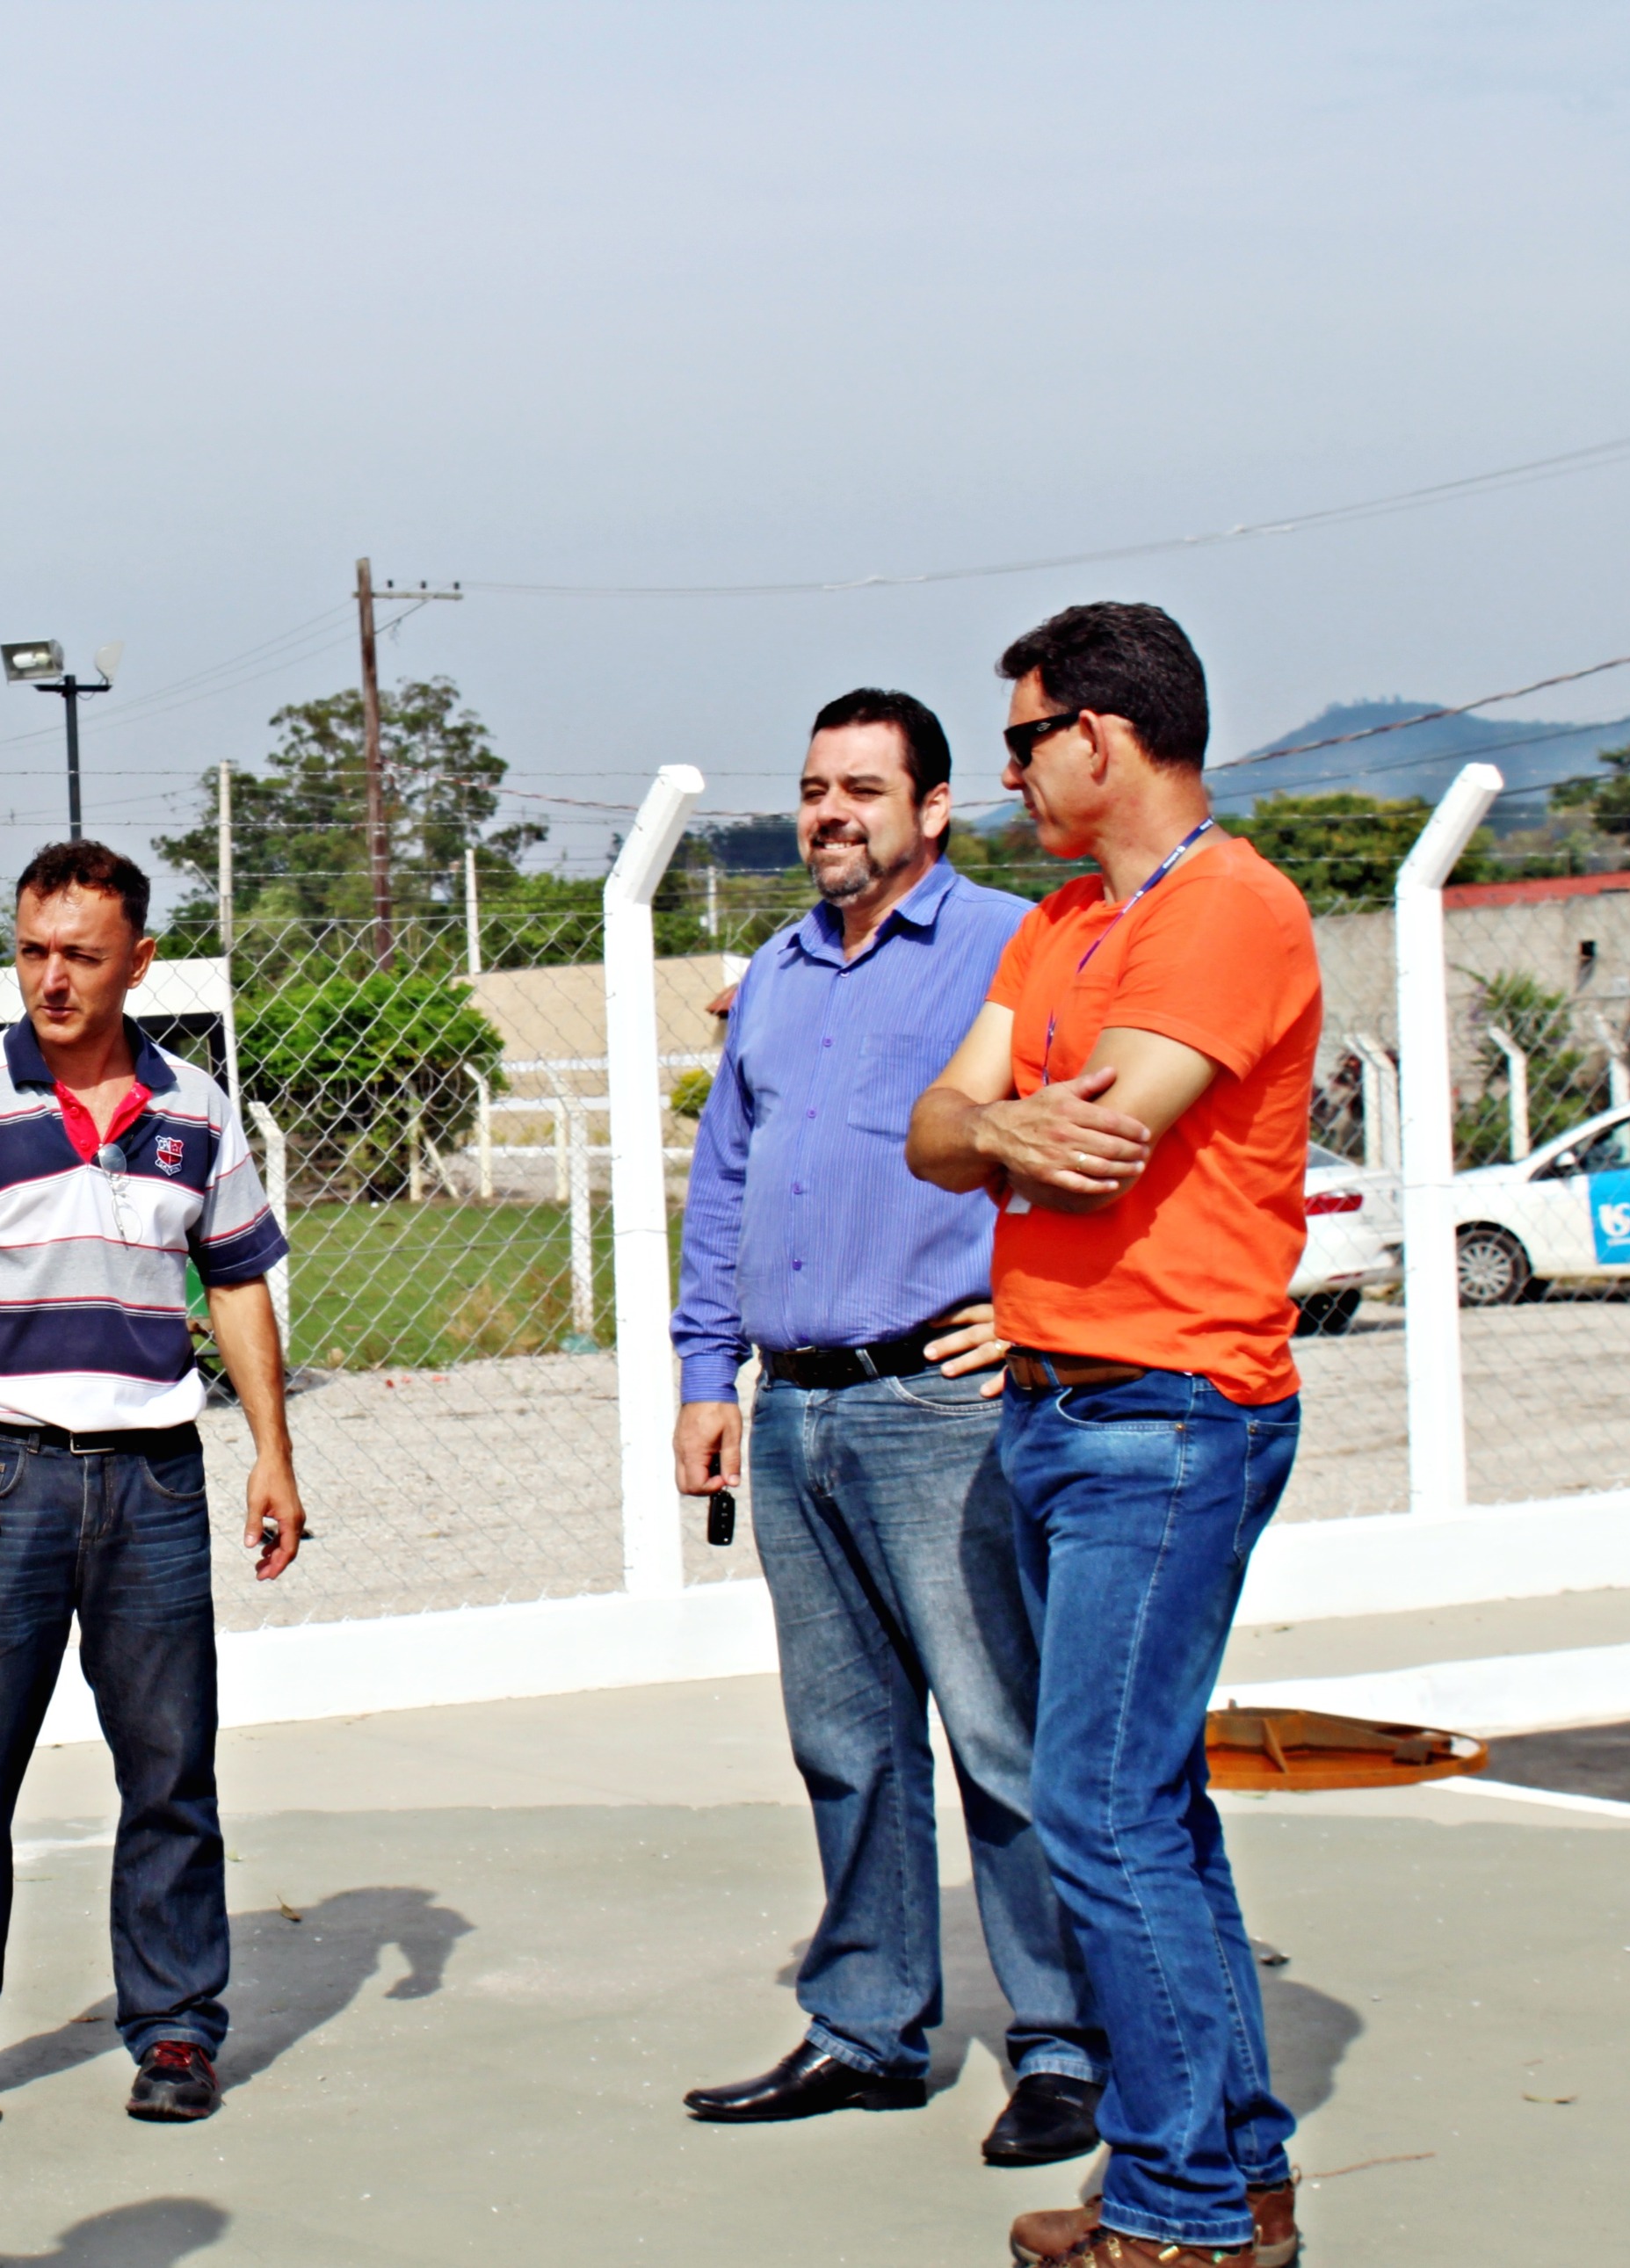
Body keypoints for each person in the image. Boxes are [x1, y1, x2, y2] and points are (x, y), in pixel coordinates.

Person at [909, 603, 1320, 2268]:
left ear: (1100, 733)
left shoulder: (1232, 910)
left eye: (1021, 740)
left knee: (1095, 1804)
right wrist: (1001, 1127)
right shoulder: (1062, 923)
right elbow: (940, 1128)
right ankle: (1238, 2165)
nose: (1008, 772)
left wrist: (997, 1128)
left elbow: (1101, 1151)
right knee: (1148, 1805)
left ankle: (1181, 2212)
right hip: (1064, 1408)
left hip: (1171, 1410)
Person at [671, 689, 1105, 2167]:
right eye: (813, 788)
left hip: (942, 1407)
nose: (829, 813)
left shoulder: (1012, 949)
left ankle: (1066, 2041)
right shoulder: (779, 975)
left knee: (999, 1733)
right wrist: (707, 1374)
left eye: (863, 787)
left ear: (934, 808)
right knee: (845, 1739)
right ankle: (866, 2027)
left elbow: (1100, 1139)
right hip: (796, 1408)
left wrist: (1037, 1311)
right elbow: (726, 1180)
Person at [0, 840, 304, 2131]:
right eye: (32, 951)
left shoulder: (196, 1108)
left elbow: (235, 1281)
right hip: (3, 1477)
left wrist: (273, 1451)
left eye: (81, 956)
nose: (51, 979)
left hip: (155, 1484)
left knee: (171, 1771)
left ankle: (175, 2028)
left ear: (139, 962)